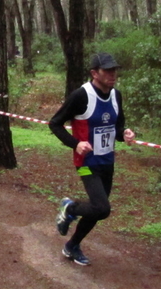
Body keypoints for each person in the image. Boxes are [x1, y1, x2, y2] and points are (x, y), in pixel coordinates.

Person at [48, 53, 136, 266]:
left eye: (114, 70)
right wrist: (76, 143)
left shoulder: (117, 95)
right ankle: (70, 208)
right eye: (107, 70)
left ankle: (72, 246)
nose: (112, 74)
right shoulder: (82, 96)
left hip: (107, 161)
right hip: (86, 163)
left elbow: (116, 128)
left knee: (97, 209)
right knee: (102, 208)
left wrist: (125, 134)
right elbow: (55, 123)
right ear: (94, 73)